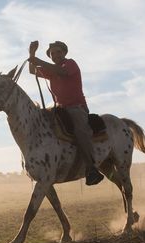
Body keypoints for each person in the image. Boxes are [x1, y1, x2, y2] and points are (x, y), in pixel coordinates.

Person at [28, 40, 104, 186]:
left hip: (76, 107)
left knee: (80, 131)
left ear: (64, 53)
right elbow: (32, 70)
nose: (55, 55)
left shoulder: (70, 64)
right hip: (59, 108)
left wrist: (37, 60)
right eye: (52, 54)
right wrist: (32, 54)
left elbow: (62, 72)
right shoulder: (51, 71)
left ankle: (91, 168)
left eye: (58, 52)